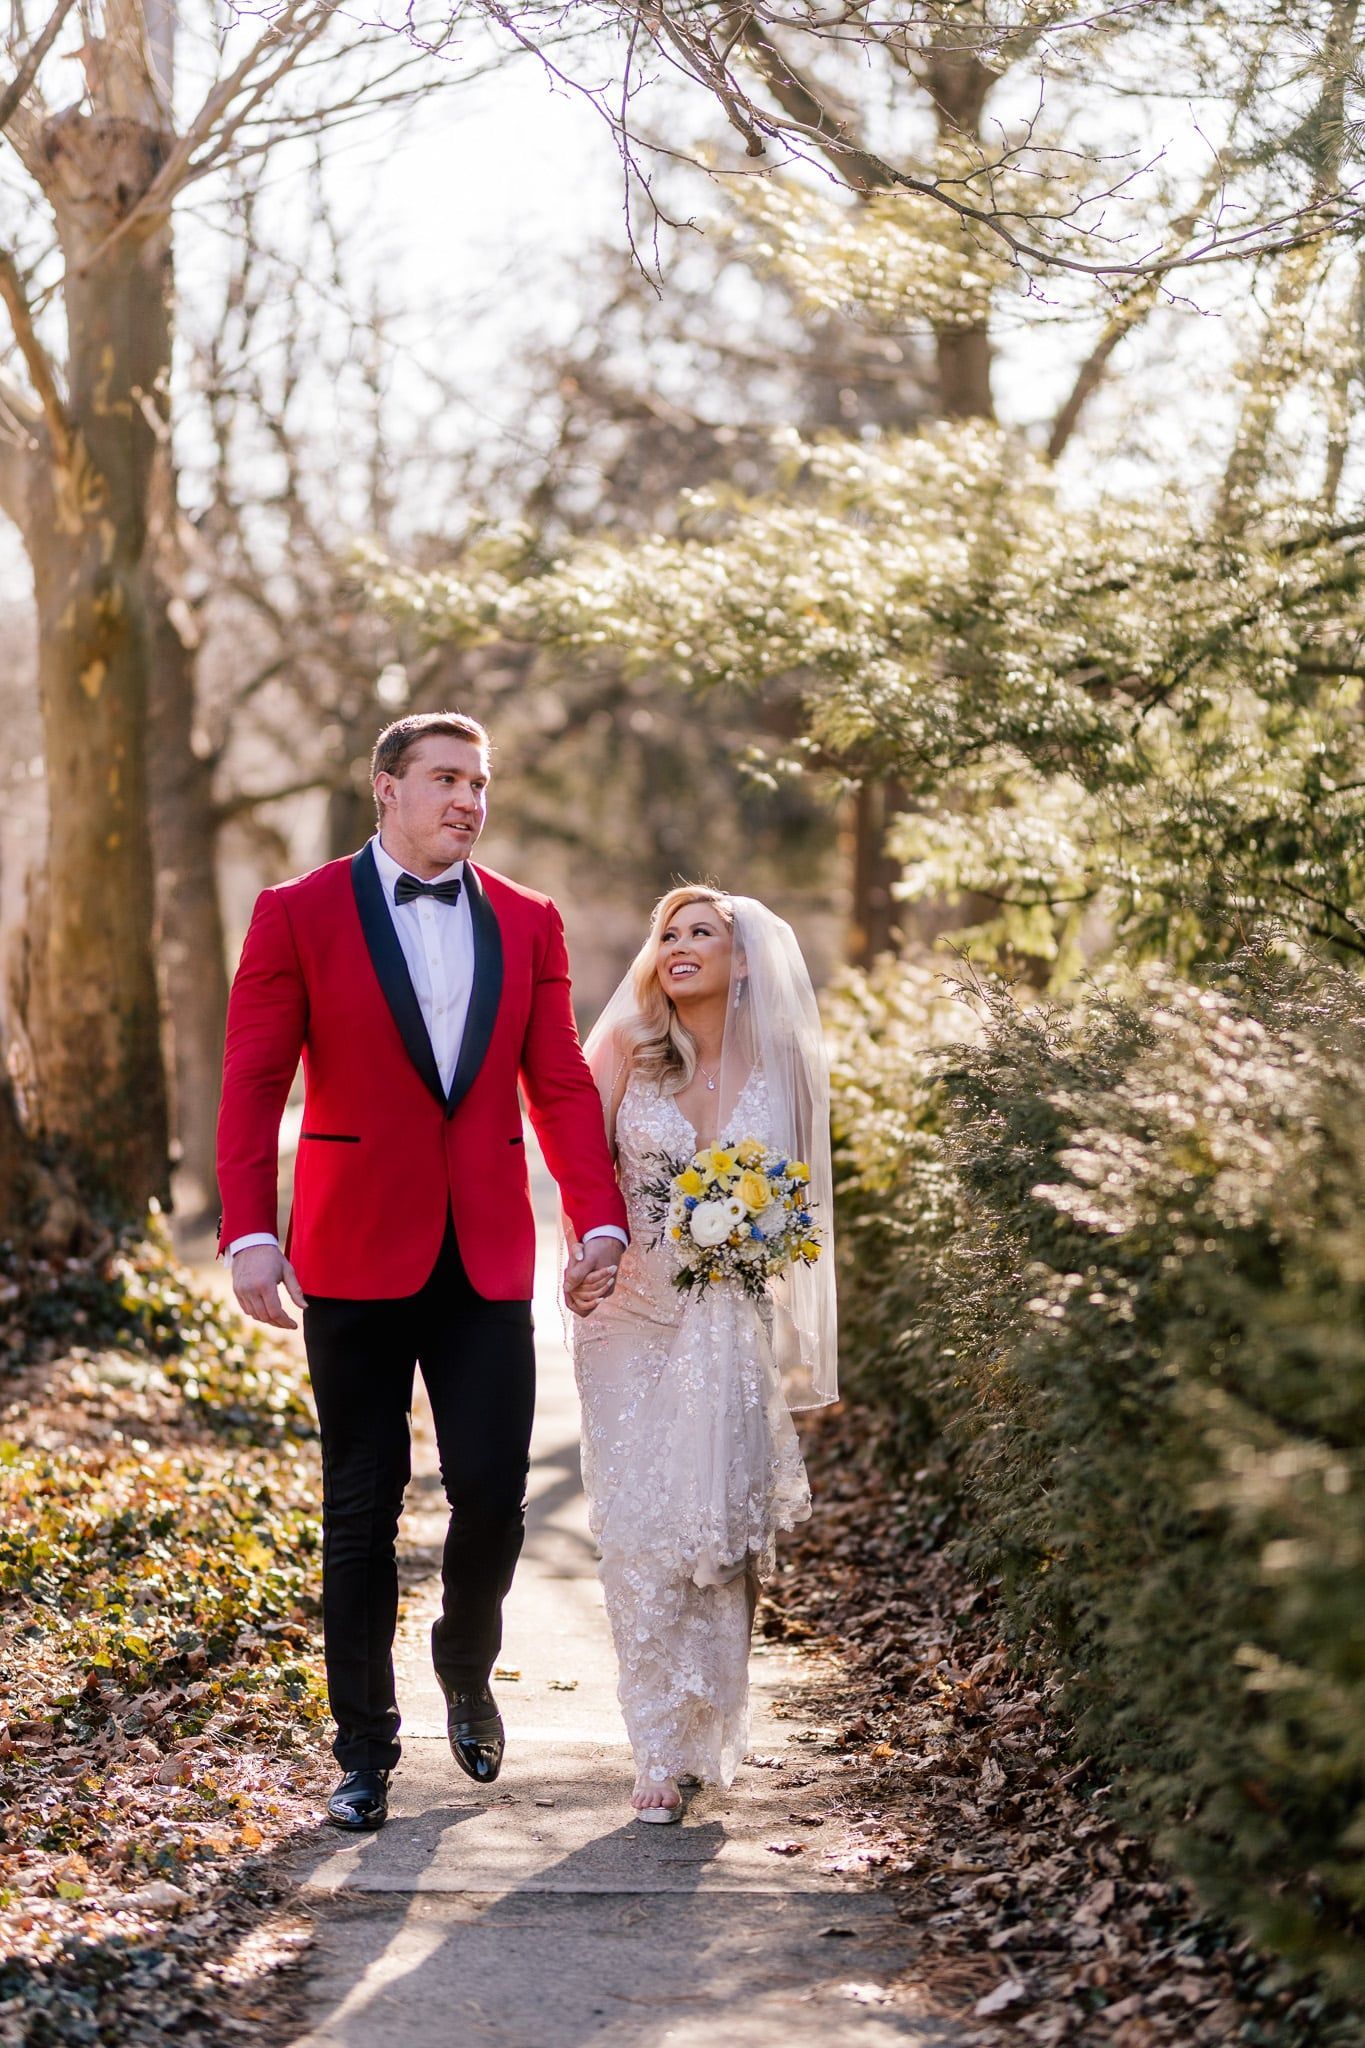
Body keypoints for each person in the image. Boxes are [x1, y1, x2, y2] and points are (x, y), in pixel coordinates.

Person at [216, 712, 628, 1832]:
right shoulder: (295, 912)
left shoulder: (532, 922)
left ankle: (465, 1654)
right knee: (359, 1501)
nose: (467, 799)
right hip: (349, 1249)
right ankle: (364, 1751)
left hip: (486, 1248)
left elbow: (558, 1082)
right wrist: (250, 1230)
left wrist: (597, 1216)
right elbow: (254, 1081)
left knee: (492, 1491)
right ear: (385, 787)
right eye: (445, 778)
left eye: (479, 782)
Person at [567, 886, 838, 1822]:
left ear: (746, 959)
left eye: (701, 934)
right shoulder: (624, 1053)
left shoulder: (786, 1063)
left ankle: (705, 1726)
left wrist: (758, 1246)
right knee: (640, 1526)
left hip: (729, 1316)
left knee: (713, 1531)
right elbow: (570, 1159)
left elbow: (805, 1203)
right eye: (667, 934)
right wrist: (581, 1245)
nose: (678, 947)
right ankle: (654, 1747)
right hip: (626, 1314)